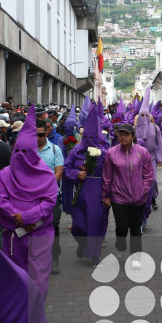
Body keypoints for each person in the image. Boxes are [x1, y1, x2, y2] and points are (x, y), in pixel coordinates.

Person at [0, 106, 58, 302]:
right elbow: (0, 200)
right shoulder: (4, 174)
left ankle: (35, 316)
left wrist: (28, 217)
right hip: (13, 234)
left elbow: (49, 201)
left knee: (38, 281)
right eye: (18, 150)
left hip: (39, 233)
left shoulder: (46, 175)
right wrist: (17, 217)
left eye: (26, 151)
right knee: (15, 278)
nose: (21, 155)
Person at [64, 102, 110, 267]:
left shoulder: (104, 153)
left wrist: (108, 195)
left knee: (95, 224)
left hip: (98, 193)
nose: (90, 141)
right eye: (87, 138)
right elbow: (66, 169)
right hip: (80, 193)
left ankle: (94, 254)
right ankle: (83, 245)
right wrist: (77, 174)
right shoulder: (76, 151)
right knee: (78, 225)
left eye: (93, 138)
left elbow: (110, 174)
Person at [102, 124, 153, 268]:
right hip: (119, 197)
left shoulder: (142, 152)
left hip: (139, 197)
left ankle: (136, 257)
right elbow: (107, 176)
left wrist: (144, 190)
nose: (122, 136)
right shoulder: (111, 153)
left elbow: (148, 174)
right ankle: (120, 245)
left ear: (132, 136)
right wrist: (105, 195)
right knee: (122, 226)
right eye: (120, 134)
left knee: (135, 227)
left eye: (126, 134)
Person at [34, 119, 64, 275]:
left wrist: (45, 186)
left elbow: (59, 172)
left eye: (40, 134)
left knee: (53, 225)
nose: (37, 137)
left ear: (46, 132)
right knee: (35, 227)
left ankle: (55, 258)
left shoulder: (55, 149)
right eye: (35, 134)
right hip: (31, 198)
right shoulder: (26, 150)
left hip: (51, 196)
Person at [134, 88, 162, 219]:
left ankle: (153, 198)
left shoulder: (156, 128)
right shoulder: (134, 129)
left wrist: (160, 158)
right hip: (138, 158)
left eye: (147, 115)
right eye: (142, 115)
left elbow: (160, 143)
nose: (145, 118)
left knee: (153, 180)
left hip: (151, 157)